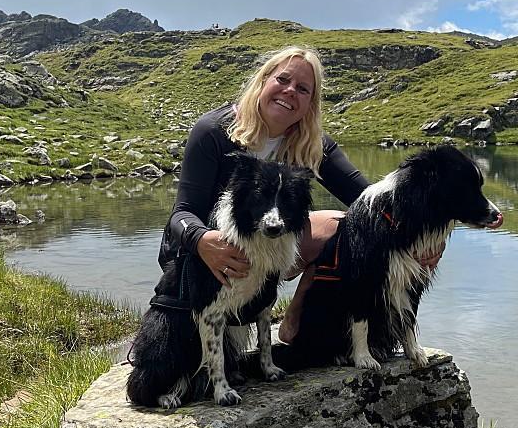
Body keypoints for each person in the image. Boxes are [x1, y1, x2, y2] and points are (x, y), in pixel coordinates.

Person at [157, 45, 443, 341]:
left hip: (271, 251)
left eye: (303, 89)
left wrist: (423, 235)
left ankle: (296, 315)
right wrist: (202, 240)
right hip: (210, 255)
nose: (290, 91)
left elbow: (370, 201)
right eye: (282, 80)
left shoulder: (313, 144)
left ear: (310, 103)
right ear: (263, 81)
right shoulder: (213, 131)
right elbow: (182, 214)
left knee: (343, 225)